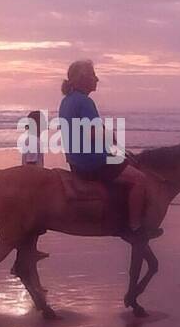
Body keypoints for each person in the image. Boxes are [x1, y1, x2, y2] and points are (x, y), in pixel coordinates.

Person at [56, 59, 158, 240]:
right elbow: (95, 134)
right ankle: (134, 227)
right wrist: (112, 139)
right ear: (82, 78)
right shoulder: (85, 102)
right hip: (92, 162)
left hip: (76, 160)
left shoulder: (67, 101)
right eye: (93, 75)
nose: (97, 79)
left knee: (124, 162)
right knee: (140, 179)